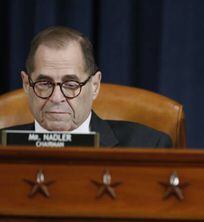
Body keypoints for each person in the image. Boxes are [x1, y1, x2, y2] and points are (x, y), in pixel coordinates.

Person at [4, 26, 172, 148]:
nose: (56, 98)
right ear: (26, 84)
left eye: (71, 85)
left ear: (95, 86)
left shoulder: (149, 146)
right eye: (44, 84)